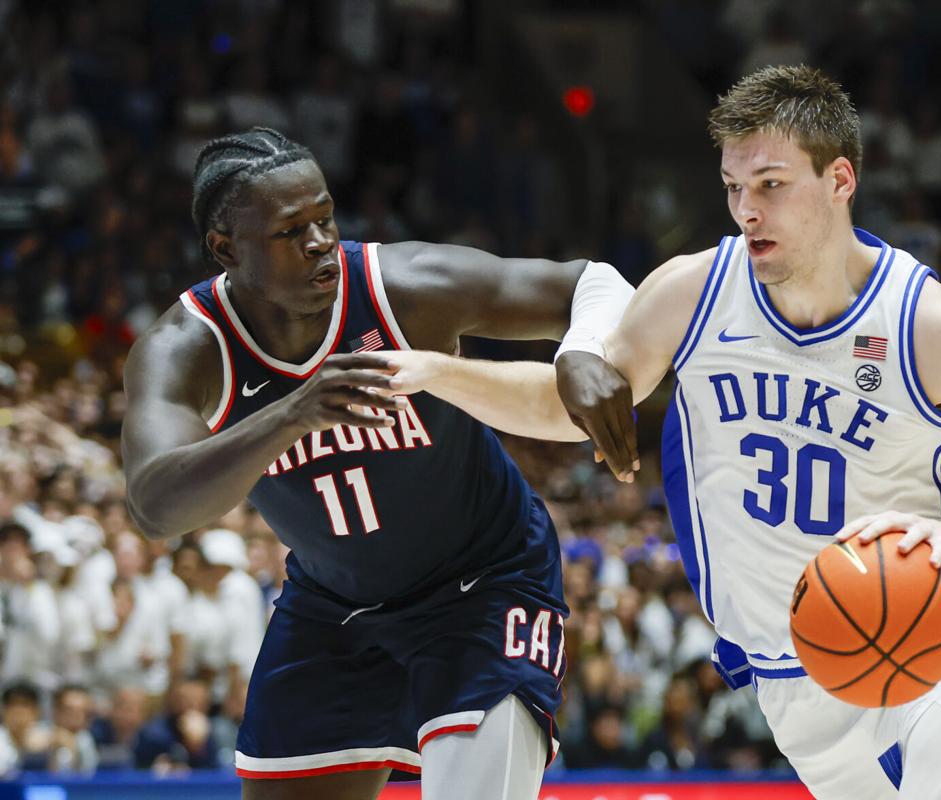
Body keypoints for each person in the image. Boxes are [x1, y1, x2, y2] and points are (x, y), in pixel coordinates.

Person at [383, 65, 941, 799]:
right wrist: (435, 374)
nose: (745, 210)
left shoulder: (931, 327)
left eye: (771, 184)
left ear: (840, 180)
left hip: (932, 635)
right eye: (733, 187)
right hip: (795, 670)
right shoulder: (691, 293)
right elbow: (566, 409)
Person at [120, 127, 636, 799]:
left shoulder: (402, 286)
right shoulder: (185, 349)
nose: (319, 243)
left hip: (484, 583)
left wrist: (582, 351)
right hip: (332, 608)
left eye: (324, 217)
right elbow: (154, 508)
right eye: (288, 231)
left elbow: (591, 283)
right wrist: (293, 413)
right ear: (225, 248)